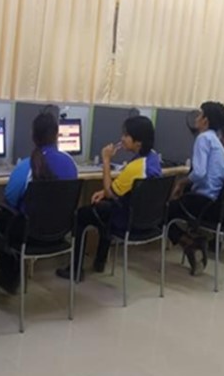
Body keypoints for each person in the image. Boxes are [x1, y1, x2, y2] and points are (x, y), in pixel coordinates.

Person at [0, 112, 77, 295]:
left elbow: (9, 199)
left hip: (30, 235)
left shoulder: (27, 166)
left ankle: (10, 271)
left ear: (33, 136)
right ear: (57, 134)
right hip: (59, 233)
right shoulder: (70, 163)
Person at [56, 116, 162, 280]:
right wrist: (105, 193)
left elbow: (111, 192)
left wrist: (106, 160)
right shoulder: (152, 158)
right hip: (143, 219)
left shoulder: (135, 167)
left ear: (138, 142)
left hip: (125, 222)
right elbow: (120, 189)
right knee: (103, 205)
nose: (122, 138)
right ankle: (100, 261)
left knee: (81, 215)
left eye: (126, 135)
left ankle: (75, 269)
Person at [167, 101, 224, 276]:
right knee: (173, 207)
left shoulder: (203, 139)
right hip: (215, 202)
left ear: (205, 121)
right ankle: (193, 242)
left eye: (200, 115)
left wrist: (181, 183)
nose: (196, 118)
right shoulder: (217, 141)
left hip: (201, 202)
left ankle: (190, 243)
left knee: (163, 211)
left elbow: (200, 173)